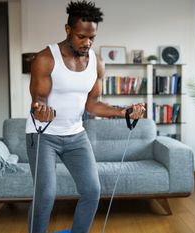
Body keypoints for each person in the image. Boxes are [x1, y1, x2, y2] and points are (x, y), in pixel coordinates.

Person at [25, 1, 146, 233]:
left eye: (92, 38)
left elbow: (93, 105)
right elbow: (37, 101)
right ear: (68, 30)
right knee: (46, 196)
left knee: (92, 191)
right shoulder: (45, 59)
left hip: (76, 136)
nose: (87, 43)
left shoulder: (97, 64)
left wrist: (123, 112)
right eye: (82, 37)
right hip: (43, 136)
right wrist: (40, 110)